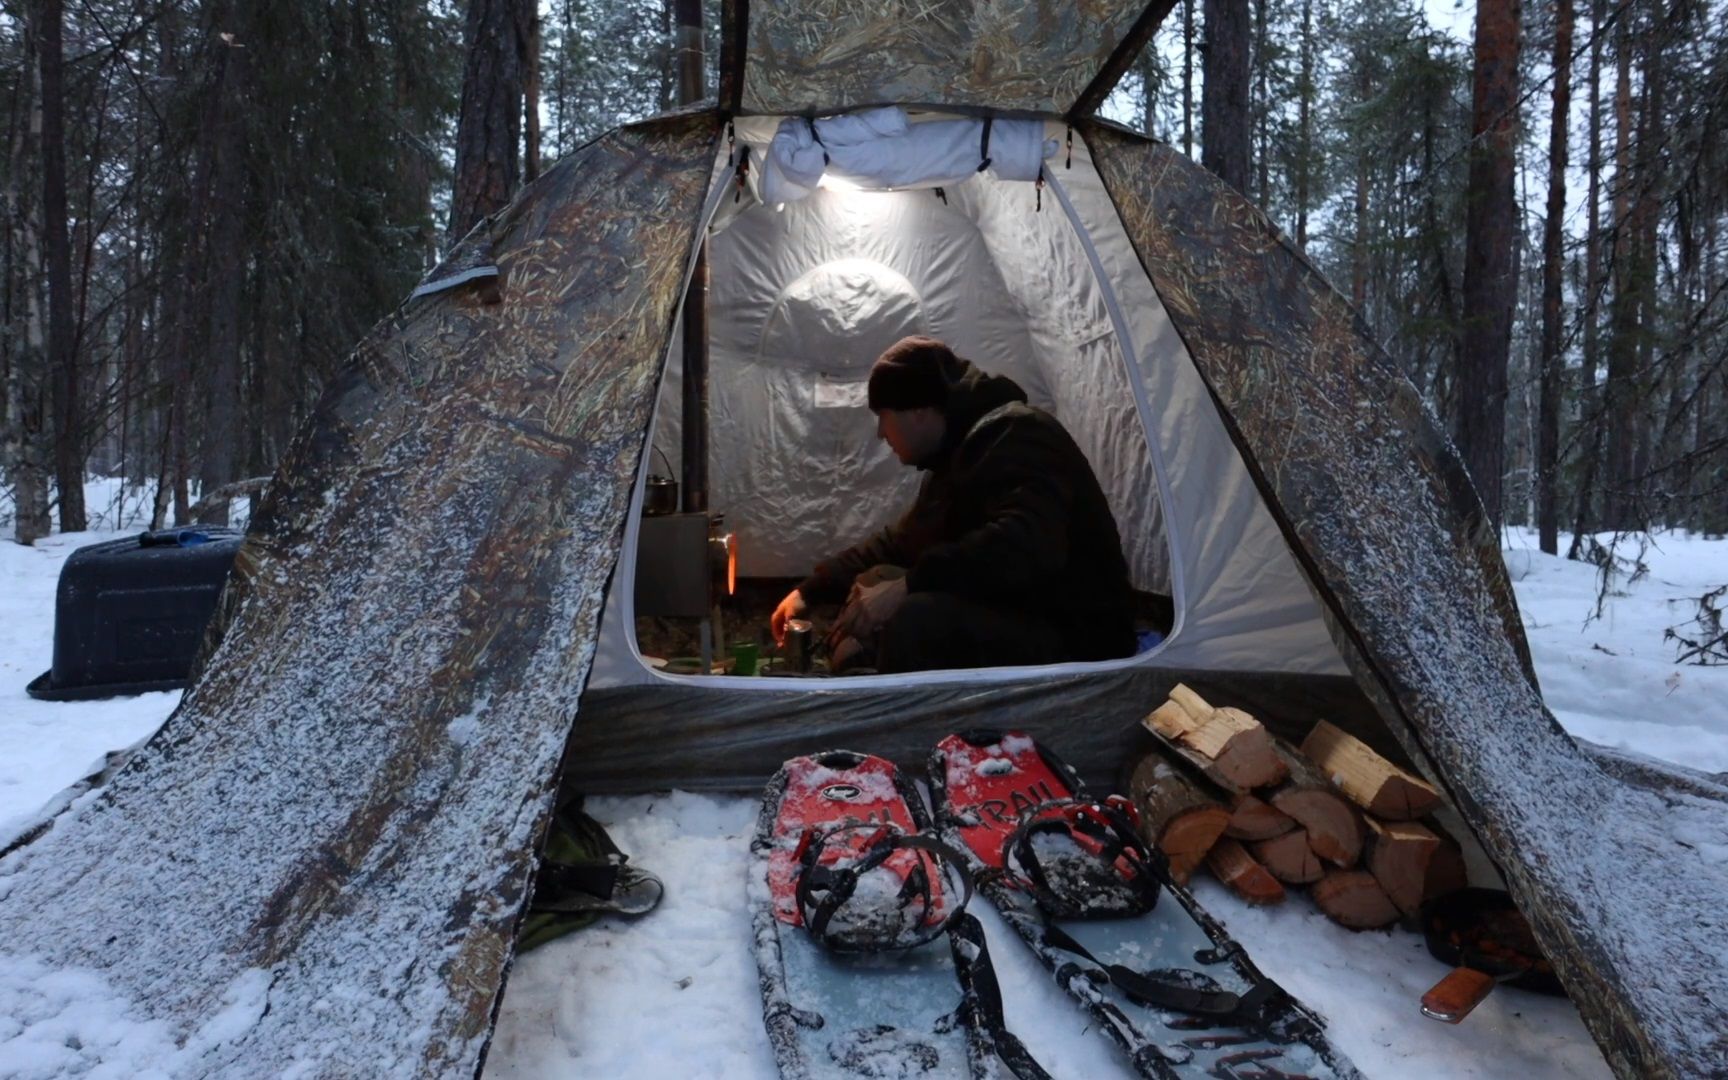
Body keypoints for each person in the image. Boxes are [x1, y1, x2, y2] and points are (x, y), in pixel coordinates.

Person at [770, 335, 1137, 673]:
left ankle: (905, 717)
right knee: (877, 579)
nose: (882, 434)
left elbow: (1026, 544)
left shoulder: (1020, 436)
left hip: (1079, 637)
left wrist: (910, 585)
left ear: (918, 412)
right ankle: (867, 667)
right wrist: (808, 591)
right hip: (1026, 611)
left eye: (883, 417)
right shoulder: (954, 457)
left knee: (915, 617)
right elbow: (899, 543)